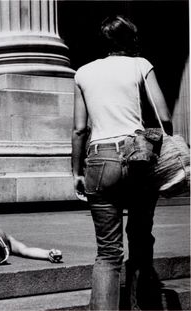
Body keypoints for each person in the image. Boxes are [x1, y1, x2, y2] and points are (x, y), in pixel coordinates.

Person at [71, 16, 172, 310]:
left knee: (108, 252)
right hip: (137, 156)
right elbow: (164, 116)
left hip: (99, 159)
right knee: (140, 241)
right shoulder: (141, 64)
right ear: (130, 40)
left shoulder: (83, 73)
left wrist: (76, 171)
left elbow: (79, 128)